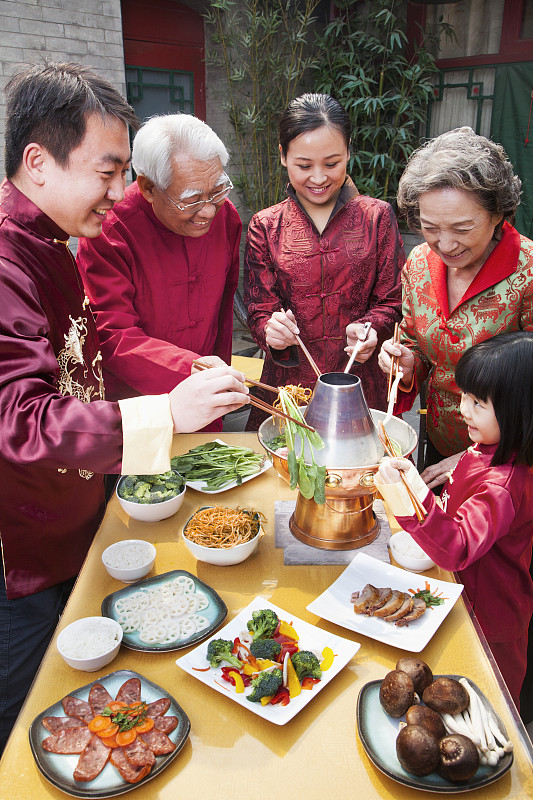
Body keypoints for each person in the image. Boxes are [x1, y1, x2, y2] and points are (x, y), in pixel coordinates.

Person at [0, 62, 249, 755]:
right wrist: (167, 413)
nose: (119, 193)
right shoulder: (7, 261)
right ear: (38, 161)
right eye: (108, 172)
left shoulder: (47, 245)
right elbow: (19, 418)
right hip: (21, 540)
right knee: (21, 710)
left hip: (73, 504)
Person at [375, 331, 533, 709]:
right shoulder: (487, 448)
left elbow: (458, 546)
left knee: (486, 705)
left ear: (519, 411)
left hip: (491, 617)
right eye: (464, 395)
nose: (463, 409)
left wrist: (404, 498)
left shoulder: (504, 484)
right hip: (463, 594)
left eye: (478, 402)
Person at [378, 127, 533, 489]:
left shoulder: (528, 270)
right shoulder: (419, 263)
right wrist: (406, 362)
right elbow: (418, 342)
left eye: (462, 228)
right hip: (440, 439)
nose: (445, 244)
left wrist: (475, 459)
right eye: (430, 227)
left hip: (512, 463)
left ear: (498, 214)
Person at [243, 93, 403, 428]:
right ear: (283, 156)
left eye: (331, 164)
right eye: (304, 166)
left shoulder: (377, 217)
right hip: (288, 389)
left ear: (348, 153)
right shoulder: (266, 226)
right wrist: (272, 331)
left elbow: (392, 300)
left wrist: (371, 329)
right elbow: (259, 309)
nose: (318, 178)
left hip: (359, 384)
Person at [77, 113, 241, 431]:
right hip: (137, 409)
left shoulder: (227, 217)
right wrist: (193, 370)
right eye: (191, 199)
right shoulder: (110, 229)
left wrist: (217, 384)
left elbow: (223, 315)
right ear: (149, 188)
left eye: (218, 190)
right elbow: (112, 334)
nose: (208, 210)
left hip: (205, 396)